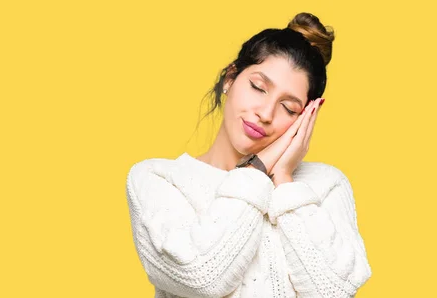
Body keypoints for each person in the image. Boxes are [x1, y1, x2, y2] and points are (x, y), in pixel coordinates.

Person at [125, 12, 372, 298]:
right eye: (258, 88)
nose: (265, 114)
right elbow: (201, 277)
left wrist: (283, 178)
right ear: (230, 78)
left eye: (289, 108)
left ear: (306, 118)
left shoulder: (325, 185)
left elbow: (335, 291)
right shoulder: (158, 179)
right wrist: (258, 170)